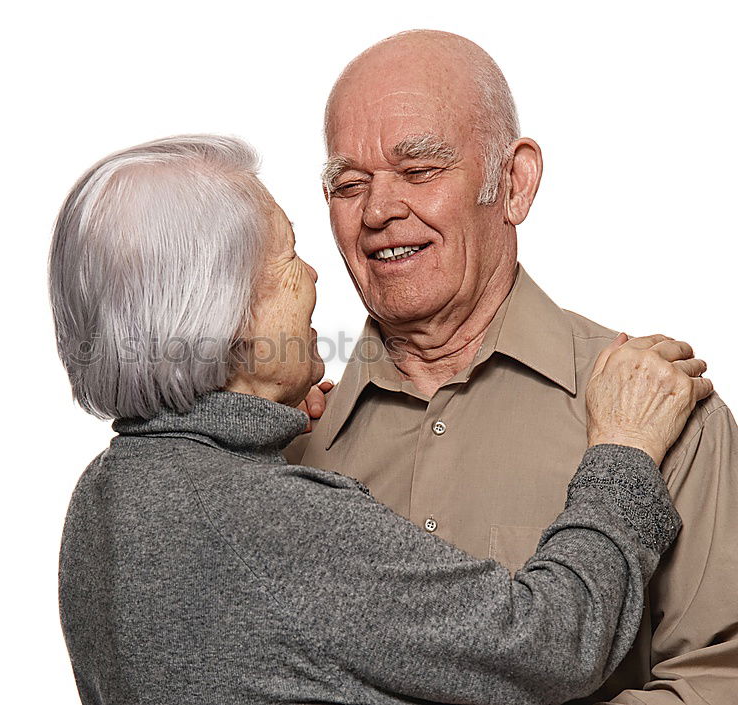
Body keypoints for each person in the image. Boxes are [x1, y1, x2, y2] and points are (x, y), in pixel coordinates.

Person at [49, 135, 712, 705]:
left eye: (420, 170)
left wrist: (253, 426)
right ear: (221, 314)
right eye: (285, 258)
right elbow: (550, 643)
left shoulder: (102, 495)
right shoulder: (272, 520)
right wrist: (623, 452)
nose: (313, 275)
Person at [288, 30, 737, 704]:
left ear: (514, 183)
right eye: (349, 184)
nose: (378, 211)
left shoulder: (663, 409)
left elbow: (718, 675)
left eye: (419, 171)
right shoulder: (288, 445)